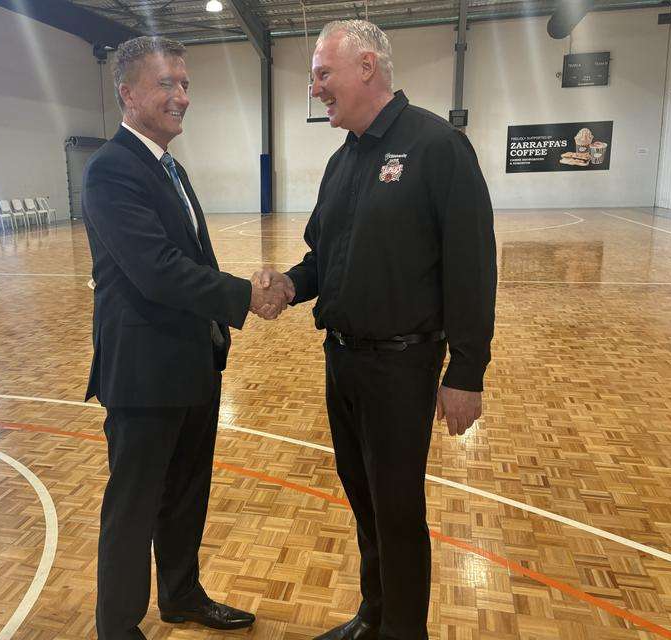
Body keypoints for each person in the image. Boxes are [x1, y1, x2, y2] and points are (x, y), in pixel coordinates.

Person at [256, 20, 497, 640]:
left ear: (367, 67)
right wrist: (287, 285)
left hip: (402, 367)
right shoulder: (343, 162)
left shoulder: (438, 146)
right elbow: (322, 258)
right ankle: (375, 615)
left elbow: (473, 265)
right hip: (343, 362)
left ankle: (403, 631)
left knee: (397, 512)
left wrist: (466, 371)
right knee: (364, 502)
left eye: (322, 74)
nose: (315, 89)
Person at [82, 36, 285, 640]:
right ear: (128, 93)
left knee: (187, 494)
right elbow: (156, 269)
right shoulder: (111, 170)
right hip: (144, 374)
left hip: (193, 364)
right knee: (134, 506)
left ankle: (180, 596)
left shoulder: (168, 167)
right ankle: (117, 626)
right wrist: (245, 294)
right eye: (167, 84)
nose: (181, 97)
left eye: (186, 84)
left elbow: (192, 254)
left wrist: (219, 327)